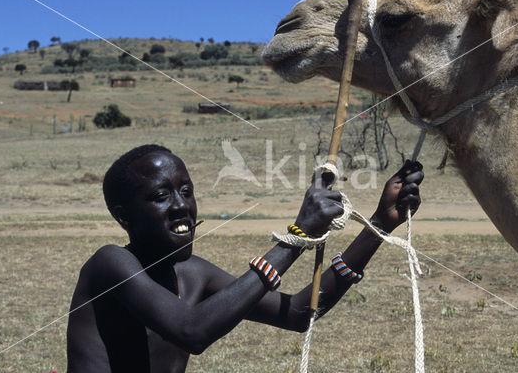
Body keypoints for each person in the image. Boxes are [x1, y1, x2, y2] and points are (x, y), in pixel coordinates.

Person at [66, 144, 423, 373]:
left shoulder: (193, 273)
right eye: (160, 195)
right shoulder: (109, 265)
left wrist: (379, 223)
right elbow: (192, 331)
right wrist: (297, 237)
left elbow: (299, 312)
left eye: (186, 191)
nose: (181, 206)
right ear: (123, 217)